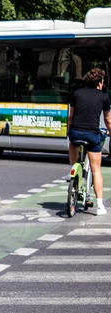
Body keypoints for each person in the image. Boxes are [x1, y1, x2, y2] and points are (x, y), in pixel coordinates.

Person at [67, 67, 111, 215]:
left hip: (76, 132)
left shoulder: (77, 94)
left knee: (73, 142)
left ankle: (72, 169)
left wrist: (69, 131)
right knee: (96, 169)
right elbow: (107, 120)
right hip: (92, 135)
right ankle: (99, 206)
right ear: (99, 83)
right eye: (102, 81)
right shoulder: (104, 97)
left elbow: (71, 116)